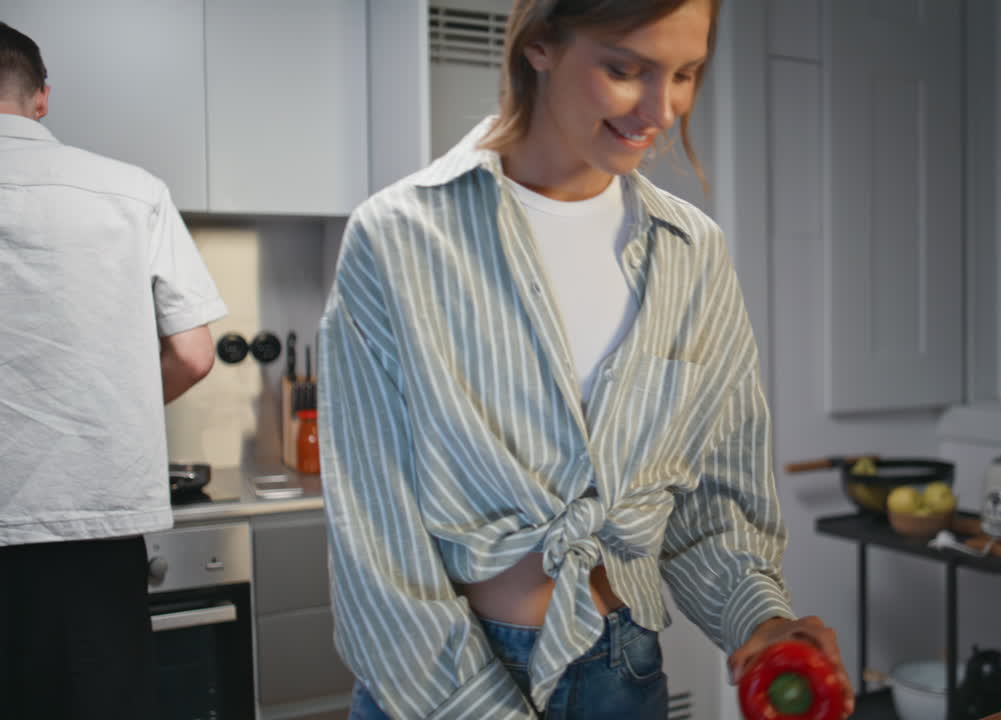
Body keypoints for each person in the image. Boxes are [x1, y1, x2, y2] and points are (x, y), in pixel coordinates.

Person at [319, 1, 854, 718]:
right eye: (625, 69)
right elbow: (375, 543)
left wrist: (760, 622)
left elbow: (712, 511)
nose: (661, 111)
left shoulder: (692, 254)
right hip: (441, 687)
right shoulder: (398, 239)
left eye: (687, 74)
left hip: (621, 673)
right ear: (540, 43)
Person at [0, 22, 226, 720]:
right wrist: (113, 402)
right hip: (101, 525)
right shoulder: (133, 191)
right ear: (41, 98)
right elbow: (193, 353)